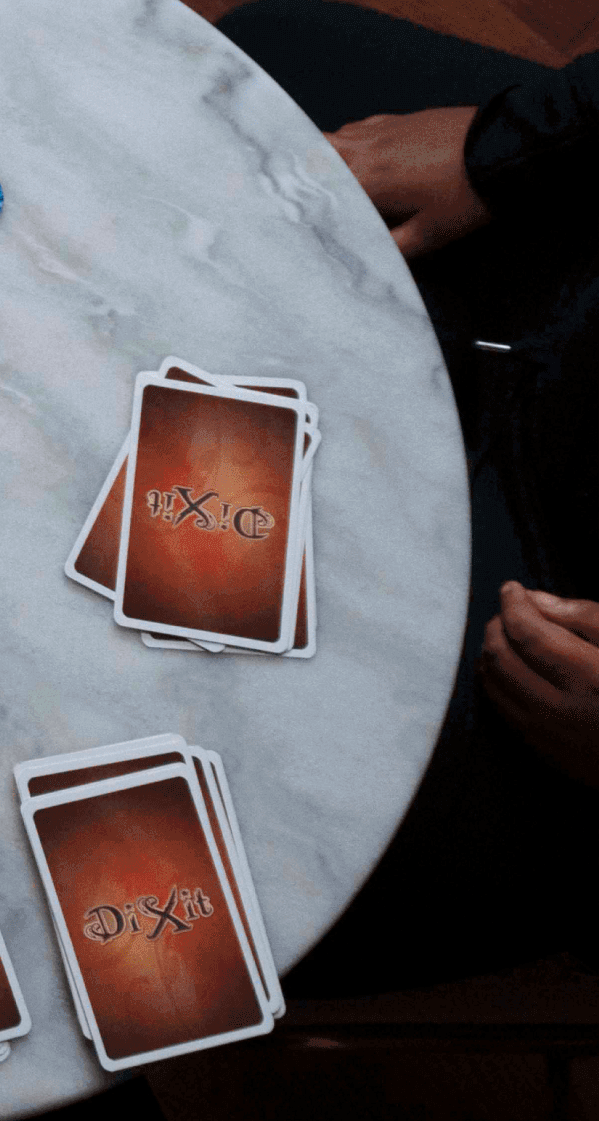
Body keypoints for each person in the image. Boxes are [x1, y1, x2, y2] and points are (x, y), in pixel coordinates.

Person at [218, 0, 599, 992]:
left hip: (549, 663)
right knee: (254, 73)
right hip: (573, 252)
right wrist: (522, 141)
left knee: (189, 885)